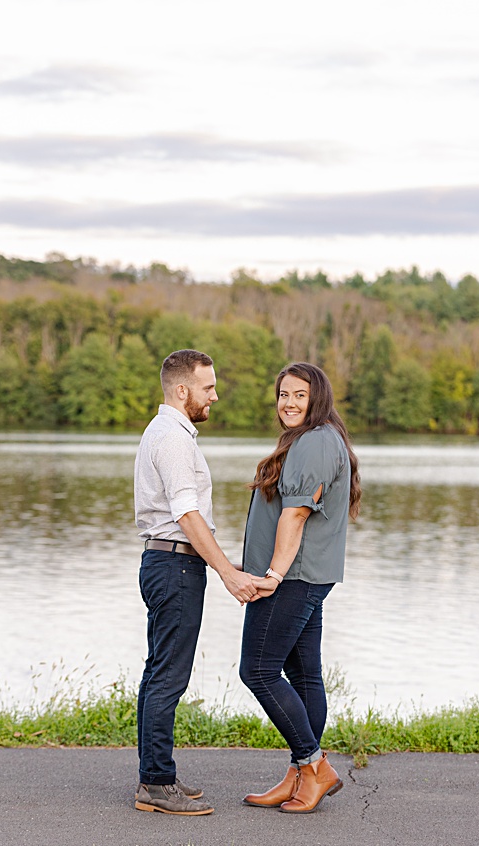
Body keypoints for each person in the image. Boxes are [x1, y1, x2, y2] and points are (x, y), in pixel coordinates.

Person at [132, 349, 264, 816]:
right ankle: (156, 784)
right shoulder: (171, 438)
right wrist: (228, 572)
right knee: (168, 675)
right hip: (174, 566)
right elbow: (186, 514)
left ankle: (156, 774)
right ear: (183, 390)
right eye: (208, 387)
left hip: (168, 564)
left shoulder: (170, 432)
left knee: (159, 672)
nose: (215, 395)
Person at [238, 361, 361, 814]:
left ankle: (314, 766)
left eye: (299, 395)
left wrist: (270, 575)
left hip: (293, 578)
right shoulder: (319, 438)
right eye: (283, 394)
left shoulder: (314, 442)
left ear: (317, 399)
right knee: (304, 673)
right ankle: (299, 775)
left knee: (257, 670)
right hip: (308, 575)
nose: (288, 403)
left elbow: (296, 515)